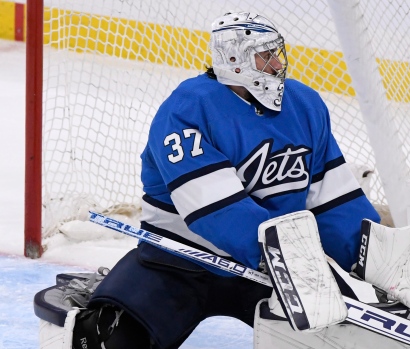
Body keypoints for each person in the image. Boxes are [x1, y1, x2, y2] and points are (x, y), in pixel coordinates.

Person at [65, 11, 381, 349]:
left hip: (270, 271)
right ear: (234, 59)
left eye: (277, 53)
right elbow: (217, 210)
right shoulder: (188, 109)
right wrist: (288, 256)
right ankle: (107, 297)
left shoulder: (304, 105)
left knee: (341, 338)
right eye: (265, 56)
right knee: (112, 341)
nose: (277, 65)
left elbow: (334, 199)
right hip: (182, 262)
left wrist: (371, 254)